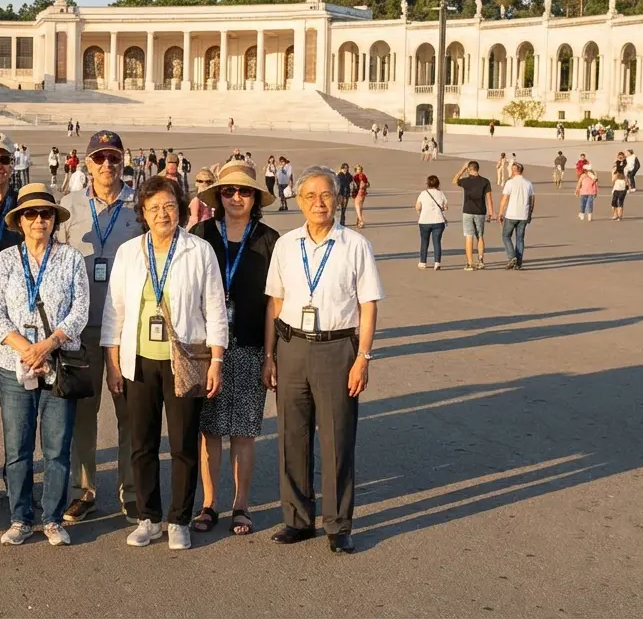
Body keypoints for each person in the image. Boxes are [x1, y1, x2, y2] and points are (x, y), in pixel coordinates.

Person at [263, 165, 384, 555]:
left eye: (326, 195)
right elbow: (276, 302)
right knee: (292, 438)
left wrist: (362, 357)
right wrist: (270, 355)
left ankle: (338, 524)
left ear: (338, 198)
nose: (319, 202)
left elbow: (368, 304)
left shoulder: (355, 245)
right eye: (310, 196)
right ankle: (297, 519)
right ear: (299, 201)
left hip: (337, 348)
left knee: (337, 439)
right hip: (292, 345)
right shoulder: (286, 244)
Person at [101, 175, 225, 551]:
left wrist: (217, 359)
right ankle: (149, 517)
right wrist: (112, 360)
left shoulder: (198, 250)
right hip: (138, 360)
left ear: (181, 208)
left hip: (183, 361)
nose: (162, 214)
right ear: (142, 213)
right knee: (142, 443)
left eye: (169, 206)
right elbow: (115, 310)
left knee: (184, 443)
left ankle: (179, 519)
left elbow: (215, 309)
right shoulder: (129, 252)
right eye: (153, 208)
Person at [0, 184, 89, 546]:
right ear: (19, 221)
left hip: (57, 361)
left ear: (54, 219)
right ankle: (20, 517)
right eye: (31, 214)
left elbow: (80, 310)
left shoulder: (72, 258)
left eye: (46, 214)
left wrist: (47, 344)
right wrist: (24, 347)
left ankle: (52, 517)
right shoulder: (6, 260)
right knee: (18, 447)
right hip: (14, 363)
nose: (39, 220)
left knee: (57, 446)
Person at [188, 161, 277, 537]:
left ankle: (241, 504)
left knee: (243, 431)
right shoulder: (201, 234)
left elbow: (276, 302)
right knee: (208, 430)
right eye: (228, 191)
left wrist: (271, 356)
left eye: (244, 191)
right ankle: (209, 503)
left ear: (255, 197)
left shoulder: (271, 239)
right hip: (209, 348)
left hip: (251, 346)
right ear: (218, 196)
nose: (236, 197)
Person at [58, 130, 141, 523]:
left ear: (123, 160)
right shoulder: (70, 206)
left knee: (131, 413)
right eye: (99, 158)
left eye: (113, 157)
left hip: (128, 328)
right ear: (86, 163)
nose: (107, 165)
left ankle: (131, 489)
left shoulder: (140, 206)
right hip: (81, 326)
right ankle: (83, 490)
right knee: (83, 414)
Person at [451, 161, 494, 271]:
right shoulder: (485, 181)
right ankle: (480, 260)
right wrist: (491, 212)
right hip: (480, 211)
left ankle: (470, 263)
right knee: (480, 235)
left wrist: (462, 169)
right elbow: (489, 198)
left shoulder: (466, 181)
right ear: (478, 168)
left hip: (468, 211)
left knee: (469, 236)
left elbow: (454, 180)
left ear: (469, 169)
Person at [498, 163, 535, 270]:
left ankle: (512, 257)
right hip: (523, 214)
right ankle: (518, 263)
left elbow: (504, 199)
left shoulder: (510, 183)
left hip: (511, 214)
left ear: (515, 170)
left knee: (506, 236)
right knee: (520, 238)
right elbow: (532, 199)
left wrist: (500, 213)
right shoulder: (528, 183)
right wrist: (530, 213)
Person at [414, 175, 448, 270]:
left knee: (424, 241)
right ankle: (437, 262)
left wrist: (420, 211)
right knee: (437, 242)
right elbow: (446, 207)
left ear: (428, 184)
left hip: (424, 221)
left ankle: (423, 262)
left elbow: (418, 207)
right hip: (438, 221)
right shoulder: (441, 193)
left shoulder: (423, 193)